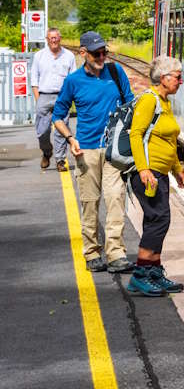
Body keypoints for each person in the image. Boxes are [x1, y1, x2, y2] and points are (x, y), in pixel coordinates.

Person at [52, 31, 135, 274]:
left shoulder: (116, 73)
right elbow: (58, 115)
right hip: (85, 150)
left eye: (104, 52)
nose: (102, 57)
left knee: (116, 198)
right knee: (90, 203)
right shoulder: (73, 81)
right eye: (96, 53)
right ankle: (91, 252)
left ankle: (116, 253)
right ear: (83, 54)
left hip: (114, 150)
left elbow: (130, 104)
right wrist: (70, 138)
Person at [126, 55, 184, 296]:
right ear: (164, 79)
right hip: (148, 173)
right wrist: (143, 170)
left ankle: (153, 271)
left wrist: (177, 170)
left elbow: (169, 142)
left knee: (157, 220)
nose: (180, 82)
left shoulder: (165, 102)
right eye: (177, 77)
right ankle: (140, 275)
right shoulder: (148, 101)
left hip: (160, 173)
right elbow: (136, 134)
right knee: (158, 220)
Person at [31, 27, 77, 173]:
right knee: (42, 131)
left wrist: (70, 98)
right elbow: (34, 80)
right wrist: (38, 100)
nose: (53, 40)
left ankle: (60, 160)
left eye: (56, 37)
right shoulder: (39, 56)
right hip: (43, 96)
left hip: (62, 97)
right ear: (47, 39)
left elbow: (73, 79)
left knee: (61, 130)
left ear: (60, 38)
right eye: (51, 38)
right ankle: (46, 152)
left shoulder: (69, 56)